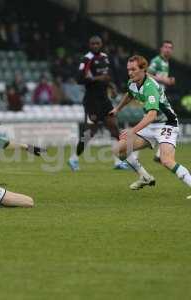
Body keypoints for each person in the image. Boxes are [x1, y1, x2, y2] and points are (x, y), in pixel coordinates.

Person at [110, 55, 190, 198]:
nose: (130, 72)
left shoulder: (150, 87)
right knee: (119, 149)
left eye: (133, 69)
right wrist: (118, 109)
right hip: (150, 125)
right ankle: (145, 177)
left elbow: (152, 114)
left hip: (167, 124)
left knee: (166, 160)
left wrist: (132, 131)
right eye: (128, 69)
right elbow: (130, 94)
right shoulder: (132, 82)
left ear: (143, 69)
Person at [68, 35, 128, 171]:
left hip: (104, 100)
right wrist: (98, 78)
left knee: (114, 128)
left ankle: (118, 161)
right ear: (89, 45)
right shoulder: (86, 59)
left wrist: (112, 87)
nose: (95, 45)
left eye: (98, 43)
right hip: (91, 102)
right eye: (93, 43)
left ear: (101, 44)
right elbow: (79, 79)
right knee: (89, 134)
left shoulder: (105, 58)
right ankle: (73, 159)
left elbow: (108, 77)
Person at [148, 40, 176, 163]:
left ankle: (159, 154)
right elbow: (147, 75)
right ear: (161, 49)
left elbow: (161, 79)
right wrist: (164, 80)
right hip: (154, 97)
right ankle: (160, 154)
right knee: (170, 122)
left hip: (160, 97)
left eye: (170, 47)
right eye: (165, 47)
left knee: (164, 123)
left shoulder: (166, 62)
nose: (167, 49)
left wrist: (167, 80)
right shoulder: (157, 61)